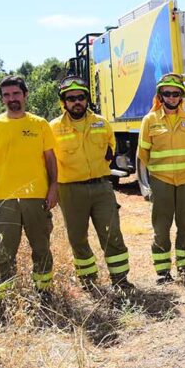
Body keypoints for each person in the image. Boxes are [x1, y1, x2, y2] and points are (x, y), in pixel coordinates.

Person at [0, 75, 58, 298]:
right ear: (2, 98)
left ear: (25, 94)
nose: (11, 98)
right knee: (4, 251)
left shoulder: (40, 124)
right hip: (4, 199)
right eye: (6, 95)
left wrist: (54, 188)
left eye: (16, 93)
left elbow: (50, 159)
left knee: (41, 247)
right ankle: (5, 296)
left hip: (36, 197)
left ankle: (44, 291)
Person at [50, 76, 132, 291]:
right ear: (63, 102)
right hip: (69, 190)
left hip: (101, 187)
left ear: (86, 99)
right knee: (77, 238)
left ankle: (121, 280)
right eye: (71, 98)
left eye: (80, 97)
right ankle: (88, 281)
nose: (76, 102)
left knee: (112, 232)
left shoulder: (101, 123)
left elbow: (110, 149)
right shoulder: (53, 128)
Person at [137, 73, 185, 283]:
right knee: (161, 226)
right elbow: (143, 154)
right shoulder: (150, 121)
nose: (172, 97)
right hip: (162, 181)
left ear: (181, 97)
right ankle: (163, 271)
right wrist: (156, 176)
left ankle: (184, 266)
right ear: (160, 95)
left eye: (176, 94)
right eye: (167, 93)